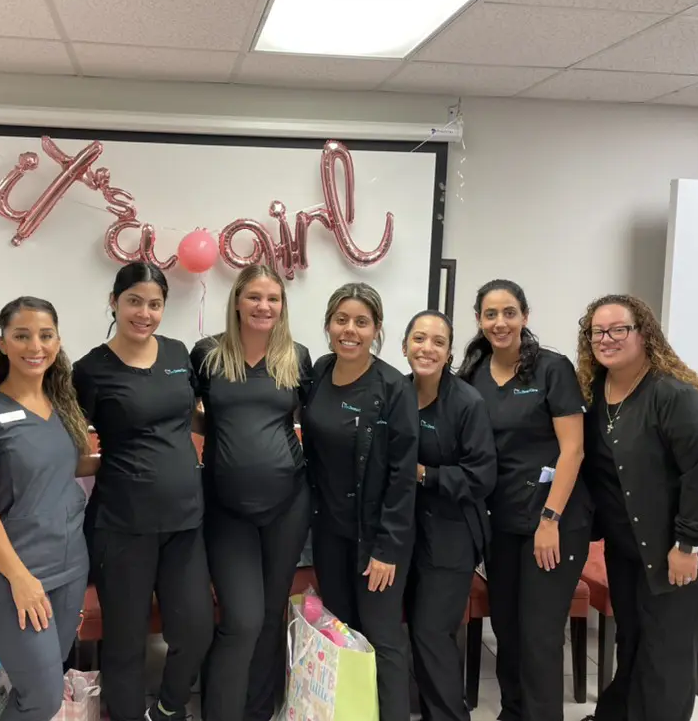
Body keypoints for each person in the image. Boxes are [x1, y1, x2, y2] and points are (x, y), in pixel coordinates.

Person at [575, 294, 698, 721]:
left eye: (619, 329)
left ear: (643, 333)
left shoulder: (672, 395)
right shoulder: (596, 392)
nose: (607, 338)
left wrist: (687, 545)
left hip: (683, 546)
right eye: (597, 331)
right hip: (630, 545)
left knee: (665, 650)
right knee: (632, 639)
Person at [72, 262, 213, 721]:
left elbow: (191, 416)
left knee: (194, 629)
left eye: (155, 304)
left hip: (185, 521)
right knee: (126, 641)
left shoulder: (178, 353)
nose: (145, 313)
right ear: (114, 302)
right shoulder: (90, 370)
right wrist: (108, 462)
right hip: (122, 524)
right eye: (134, 301)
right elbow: (71, 446)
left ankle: (170, 709)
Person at [0, 296, 96, 721]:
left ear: (58, 341)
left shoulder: (61, 407)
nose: (35, 346)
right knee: (42, 697)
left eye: (45, 335)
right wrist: (20, 579)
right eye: (22, 335)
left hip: (69, 568)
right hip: (14, 578)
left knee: (46, 683)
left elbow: (65, 467)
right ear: (2, 344)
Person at [457, 279, 590, 721]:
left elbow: (573, 448)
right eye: (490, 314)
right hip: (501, 522)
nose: (500, 322)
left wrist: (550, 519)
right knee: (509, 630)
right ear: (478, 319)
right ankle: (513, 712)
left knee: (539, 635)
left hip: (551, 521)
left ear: (525, 317)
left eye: (509, 312)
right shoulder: (473, 373)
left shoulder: (552, 369)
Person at [190, 264, 314, 721]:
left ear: (282, 306)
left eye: (273, 298)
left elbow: (312, 422)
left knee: (269, 616)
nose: (264, 306)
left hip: (288, 505)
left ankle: (259, 710)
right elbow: (190, 414)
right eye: (255, 297)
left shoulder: (297, 357)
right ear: (237, 301)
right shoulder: (207, 354)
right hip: (227, 508)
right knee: (241, 619)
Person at [301, 282, 419, 721]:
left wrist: (388, 549)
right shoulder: (318, 373)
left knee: (383, 638)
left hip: (378, 541)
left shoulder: (393, 387)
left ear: (377, 329)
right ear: (329, 324)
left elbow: (402, 475)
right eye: (341, 320)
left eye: (362, 322)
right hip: (330, 533)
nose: (350, 330)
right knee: (342, 634)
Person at [402, 310, 497, 721]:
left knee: (431, 632)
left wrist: (425, 475)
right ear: (405, 344)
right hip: (402, 530)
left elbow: (482, 477)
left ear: (449, 352)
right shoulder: (395, 391)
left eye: (438, 342)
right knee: (407, 631)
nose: (427, 348)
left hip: (452, 533)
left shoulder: (466, 403)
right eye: (419, 339)